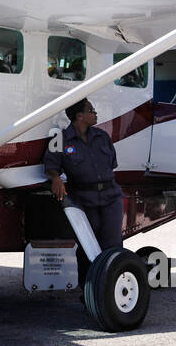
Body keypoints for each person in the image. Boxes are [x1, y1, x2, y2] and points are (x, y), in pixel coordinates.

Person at [43, 97, 124, 283]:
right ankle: (88, 287)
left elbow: (112, 164)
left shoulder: (102, 137)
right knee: (89, 246)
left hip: (111, 196)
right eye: (91, 110)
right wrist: (55, 178)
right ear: (80, 116)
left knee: (113, 243)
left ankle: (111, 287)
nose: (95, 114)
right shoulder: (60, 140)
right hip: (85, 198)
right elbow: (50, 165)